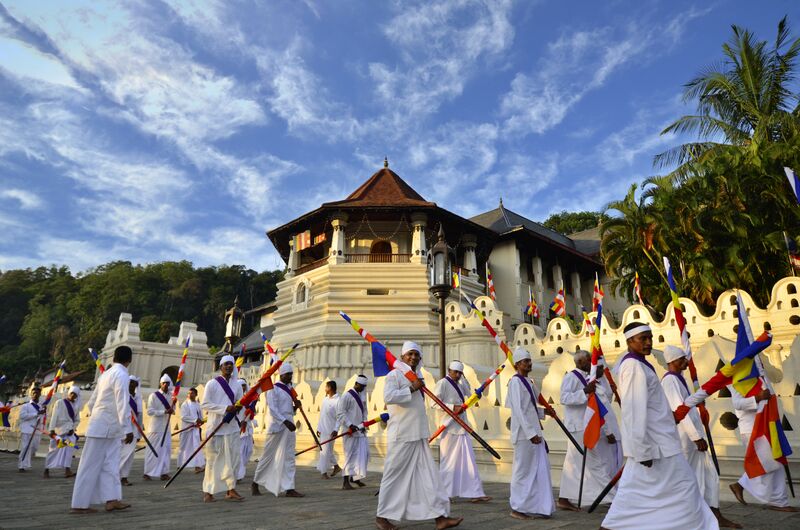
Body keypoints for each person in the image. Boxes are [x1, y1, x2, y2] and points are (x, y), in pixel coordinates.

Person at [600, 323, 718, 530]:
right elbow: (634, 411)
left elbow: (653, 405)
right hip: (655, 446)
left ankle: (611, 526)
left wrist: (668, 416)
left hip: (659, 442)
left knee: (632, 495)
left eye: (649, 338)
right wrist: (641, 449)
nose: (648, 342)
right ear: (629, 341)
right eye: (642, 338)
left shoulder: (642, 364)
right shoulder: (633, 366)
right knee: (686, 487)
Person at [375, 341, 462, 530]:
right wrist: (412, 388)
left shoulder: (417, 376)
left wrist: (416, 385)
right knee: (394, 475)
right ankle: (382, 517)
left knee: (430, 476)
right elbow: (389, 397)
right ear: (403, 357)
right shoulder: (394, 375)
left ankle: (440, 517)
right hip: (402, 435)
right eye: (410, 354)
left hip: (418, 433)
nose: (413, 357)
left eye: (417, 355)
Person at [661, 345, 741, 527]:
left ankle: (715, 515)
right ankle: (683, 517)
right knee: (687, 480)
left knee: (709, 475)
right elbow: (679, 411)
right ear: (673, 361)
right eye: (682, 359)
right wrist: (696, 437)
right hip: (686, 440)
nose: (686, 362)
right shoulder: (670, 381)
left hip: (694, 439)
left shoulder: (678, 379)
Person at [69, 345, 134, 514]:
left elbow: (92, 402)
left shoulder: (106, 374)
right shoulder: (121, 375)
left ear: (114, 358)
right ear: (129, 360)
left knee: (111, 465)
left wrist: (96, 416)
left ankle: (112, 499)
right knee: (89, 464)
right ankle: (80, 504)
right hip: (105, 427)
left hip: (107, 426)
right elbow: (122, 402)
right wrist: (128, 428)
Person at [557, 350, 616, 511]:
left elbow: (603, 399)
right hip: (578, 426)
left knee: (573, 464)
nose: (592, 363)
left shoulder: (588, 377)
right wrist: (584, 391)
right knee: (594, 461)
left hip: (587, 424)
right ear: (581, 362)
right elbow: (564, 398)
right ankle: (612, 497)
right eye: (590, 360)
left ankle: (564, 498)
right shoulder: (571, 377)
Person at [728, 384, 797, 511]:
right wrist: (758, 398)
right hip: (752, 428)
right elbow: (738, 403)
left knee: (777, 462)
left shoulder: (759, 376)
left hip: (767, 426)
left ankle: (779, 502)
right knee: (770, 462)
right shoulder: (737, 379)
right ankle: (741, 485)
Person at [506, 347, 555, 520]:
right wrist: (530, 433)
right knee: (523, 470)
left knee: (538, 469)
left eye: (529, 361)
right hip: (524, 435)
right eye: (525, 361)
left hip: (534, 432)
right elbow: (518, 410)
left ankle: (538, 506)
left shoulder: (530, 382)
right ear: (518, 364)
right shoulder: (515, 382)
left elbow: (530, 408)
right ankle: (517, 507)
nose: (529, 363)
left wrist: (545, 413)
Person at [432, 360, 490, 503]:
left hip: (462, 427)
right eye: (455, 372)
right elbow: (434, 403)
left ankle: (475, 492)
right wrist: (453, 407)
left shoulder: (460, 382)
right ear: (449, 370)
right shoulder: (442, 383)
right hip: (449, 427)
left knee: (468, 461)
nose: (457, 375)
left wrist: (476, 394)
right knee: (448, 463)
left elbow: (469, 395)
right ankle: (444, 494)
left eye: (460, 373)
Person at [252, 362, 304, 497]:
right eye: (288, 374)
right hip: (277, 426)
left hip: (289, 425)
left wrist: (295, 407)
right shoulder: (272, 389)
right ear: (281, 375)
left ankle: (289, 488)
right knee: (268, 456)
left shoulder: (290, 389)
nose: (290, 377)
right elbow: (274, 409)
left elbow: (288, 410)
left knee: (289, 456)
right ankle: (255, 482)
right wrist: (285, 421)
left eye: (291, 374)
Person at [200, 355, 245, 502]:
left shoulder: (237, 385)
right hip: (216, 427)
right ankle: (208, 491)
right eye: (225, 364)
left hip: (231, 427)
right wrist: (225, 408)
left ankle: (230, 489)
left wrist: (237, 409)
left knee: (232, 460)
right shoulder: (212, 384)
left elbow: (240, 403)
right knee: (213, 460)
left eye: (231, 364)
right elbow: (205, 404)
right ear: (220, 367)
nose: (228, 366)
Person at [337, 375, 370, 489]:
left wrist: (365, 423)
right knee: (349, 455)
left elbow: (365, 410)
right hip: (349, 431)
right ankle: (345, 481)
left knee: (362, 455)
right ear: (357, 384)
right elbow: (341, 413)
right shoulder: (347, 396)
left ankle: (355, 477)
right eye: (362, 386)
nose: (363, 388)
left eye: (365, 386)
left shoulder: (362, 395)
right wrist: (350, 424)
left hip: (360, 430)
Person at [43, 385, 81, 478]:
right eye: (72, 393)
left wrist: (73, 428)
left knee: (69, 450)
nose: (73, 395)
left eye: (75, 394)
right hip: (58, 430)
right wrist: (51, 429)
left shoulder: (76, 406)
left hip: (70, 431)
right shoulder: (60, 402)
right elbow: (54, 416)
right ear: (69, 393)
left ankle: (67, 470)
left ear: (77, 396)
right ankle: (46, 469)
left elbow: (77, 420)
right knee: (53, 450)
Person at [144, 374, 174, 480]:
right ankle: (147, 473)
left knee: (166, 450)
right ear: (160, 384)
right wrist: (164, 411)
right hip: (155, 427)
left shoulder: (171, 396)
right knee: (152, 451)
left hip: (166, 426)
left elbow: (172, 411)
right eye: (164, 383)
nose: (166, 385)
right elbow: (150, 411)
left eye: (167, 383)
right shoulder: (154, 395)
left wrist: (173, 406)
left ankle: (164, 472)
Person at [316, 380, 341, 480]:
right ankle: (336, 467)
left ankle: (324, 472)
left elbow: (340, 416)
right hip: (323, 428)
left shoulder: (338, 400)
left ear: (330, 388)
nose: (325, 389)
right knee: (327, 450)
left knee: (325, 451)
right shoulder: (325, 400)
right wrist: (319, 428)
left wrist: (336, 429)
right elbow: (322, 415)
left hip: (331, 430)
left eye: (326, 387)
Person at [119, 376, 142, 486]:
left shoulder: (138, 398)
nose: (131, 385)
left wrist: (139, 432)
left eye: (133, 383)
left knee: (129, 455)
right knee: (120, 453)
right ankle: (114, 475)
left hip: (134, 429)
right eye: (130, 383)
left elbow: (140, 416)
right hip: (122, 429)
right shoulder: (123, 396)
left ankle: (124, 477)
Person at [178, 387, 205, 475]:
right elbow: (183, 417)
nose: (190, 395)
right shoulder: (185, 404)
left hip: (195, 430)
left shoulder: (198, 405)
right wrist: (195, 420)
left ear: (196, 395)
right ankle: (180, 464)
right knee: (183, 447)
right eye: (189, 393)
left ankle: (197, 466)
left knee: (196, 446)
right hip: (187, 429)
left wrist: (201, 421)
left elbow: (200, 416)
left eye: (192, 393)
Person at [18, 384, 44, 472]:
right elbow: (23, 416)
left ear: (40, 394)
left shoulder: (41, 406)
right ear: (31, 394)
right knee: (25, 447)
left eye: (37, 393)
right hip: (27, 429)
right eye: (34, 393)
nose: (35, 394)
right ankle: (22, 465)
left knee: (34, 448)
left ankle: (26, 463)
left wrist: (43, 413)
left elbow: (42, 418)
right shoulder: (26, 406)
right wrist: (36, 414)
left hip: (37, 430)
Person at [237, 379, 256, 482]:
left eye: (244, 385)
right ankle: (238, 474)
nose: (243, 387)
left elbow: (252, 413)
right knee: (239, 452)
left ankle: (240, 468)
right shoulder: (236, 399)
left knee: (248, 451)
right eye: (241, 385)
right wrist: (240, 421)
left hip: (247, 429)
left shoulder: (249, 400)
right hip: (238, 428)